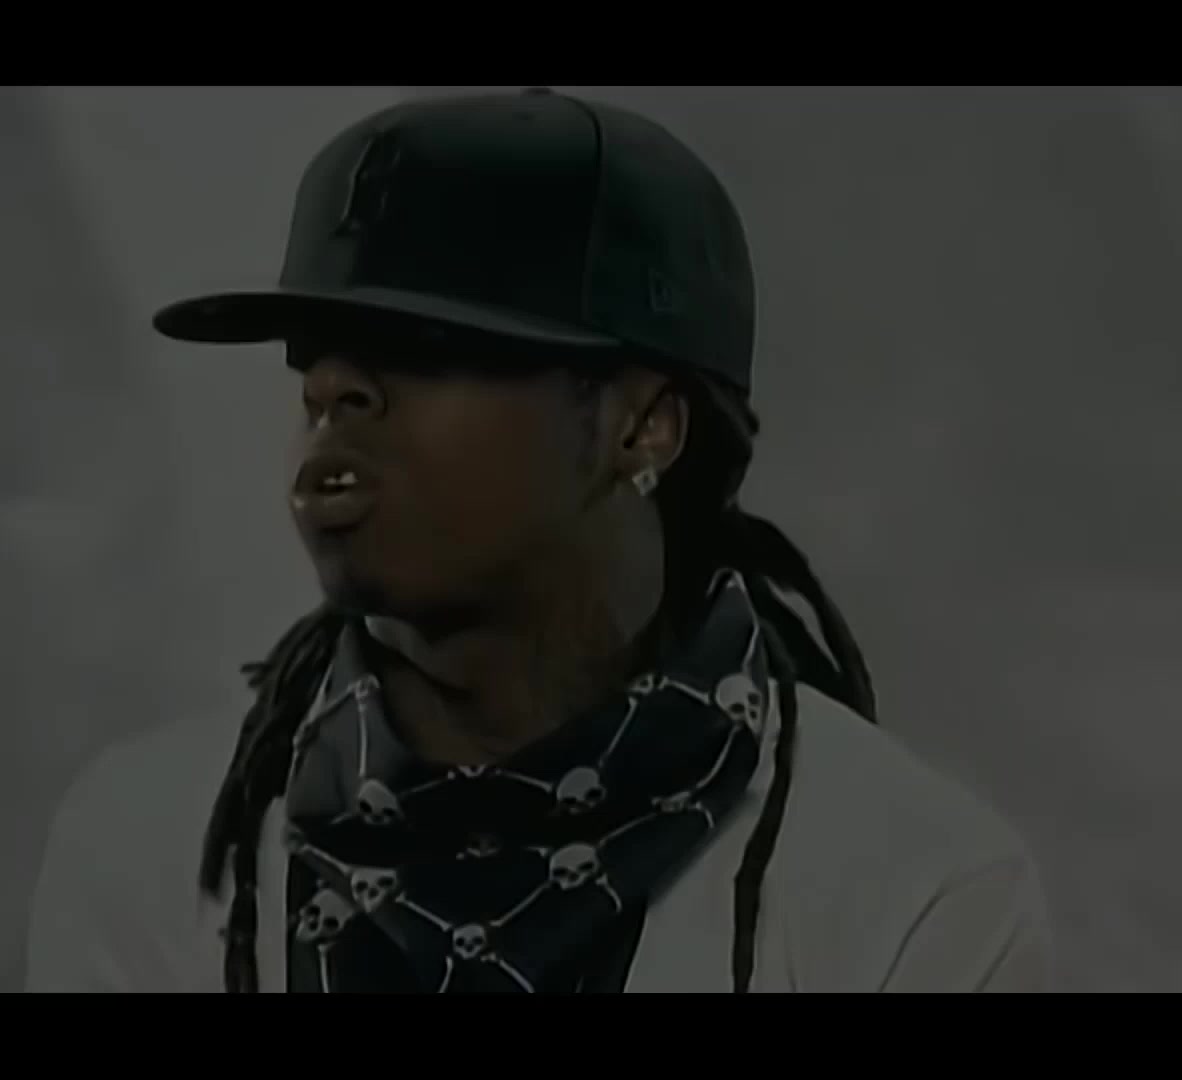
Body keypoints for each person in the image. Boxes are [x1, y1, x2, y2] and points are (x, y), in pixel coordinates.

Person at [25, 88, 1052, 993]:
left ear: (644, 426)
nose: (334, 391)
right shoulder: (152, 846)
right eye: (316, 359)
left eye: (428, 342)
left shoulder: (910, 884)